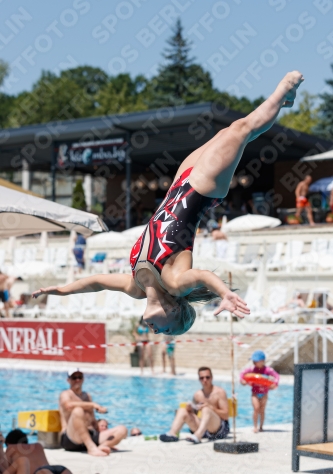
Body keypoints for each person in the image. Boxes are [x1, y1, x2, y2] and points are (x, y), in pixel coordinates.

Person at [32, 71, 304, 336]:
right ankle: (284, 89)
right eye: (167, 329)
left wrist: (60, 290)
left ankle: (283, 100)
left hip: (178, 185)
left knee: (228, 132)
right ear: (174, 311)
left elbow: (96, 283)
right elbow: (203, 276)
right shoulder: (175, 284)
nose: (157, 332)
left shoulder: (135, 286)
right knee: (241, 130)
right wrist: (224, 293)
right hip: (201, 190)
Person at [59, 368, 127, 457]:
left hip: (91, 435)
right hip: (72, 438)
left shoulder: (87, 396)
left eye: (80, 377)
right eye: (74, 378)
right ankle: (91, 448)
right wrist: (93, 405)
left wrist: (102, 430)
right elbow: (68, 405)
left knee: (122, 429)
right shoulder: (66, 394)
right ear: (68, 380)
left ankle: (103, 446)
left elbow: (92, 419)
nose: (77, 380)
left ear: (83, 379)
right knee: (78, 411)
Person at [160, 366, 229, 444]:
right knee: (182, 410)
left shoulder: (219, 392)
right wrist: (190, 409)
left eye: (207, 377)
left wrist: (211, 408)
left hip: (218, 429)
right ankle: (172, 434)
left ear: (212, 378)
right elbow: (195, 413)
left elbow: (226, 415)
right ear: (199, 379)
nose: (205, 380)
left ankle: (198, 436)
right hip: (204, 429)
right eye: (202, 378)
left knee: (206, 409)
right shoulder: (197, 395)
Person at [240, 350, 279, 433]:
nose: (253, 362)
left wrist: (274, 384)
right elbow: (242, 373)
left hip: (264, 392)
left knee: (262, 410)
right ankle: (255, 426)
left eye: (255, 361)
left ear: (262, 361)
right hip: (255, 392)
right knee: (256, 408)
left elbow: (276, 376)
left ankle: (261, 426)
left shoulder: (267, 370)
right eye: (253, 361)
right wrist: (242, 381)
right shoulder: (251, 369)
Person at [3, 429, 71, 474]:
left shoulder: (11, 447)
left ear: (8, 443)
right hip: (58, 468)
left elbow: (7, 470)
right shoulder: (38, 445)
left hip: (40, 472)